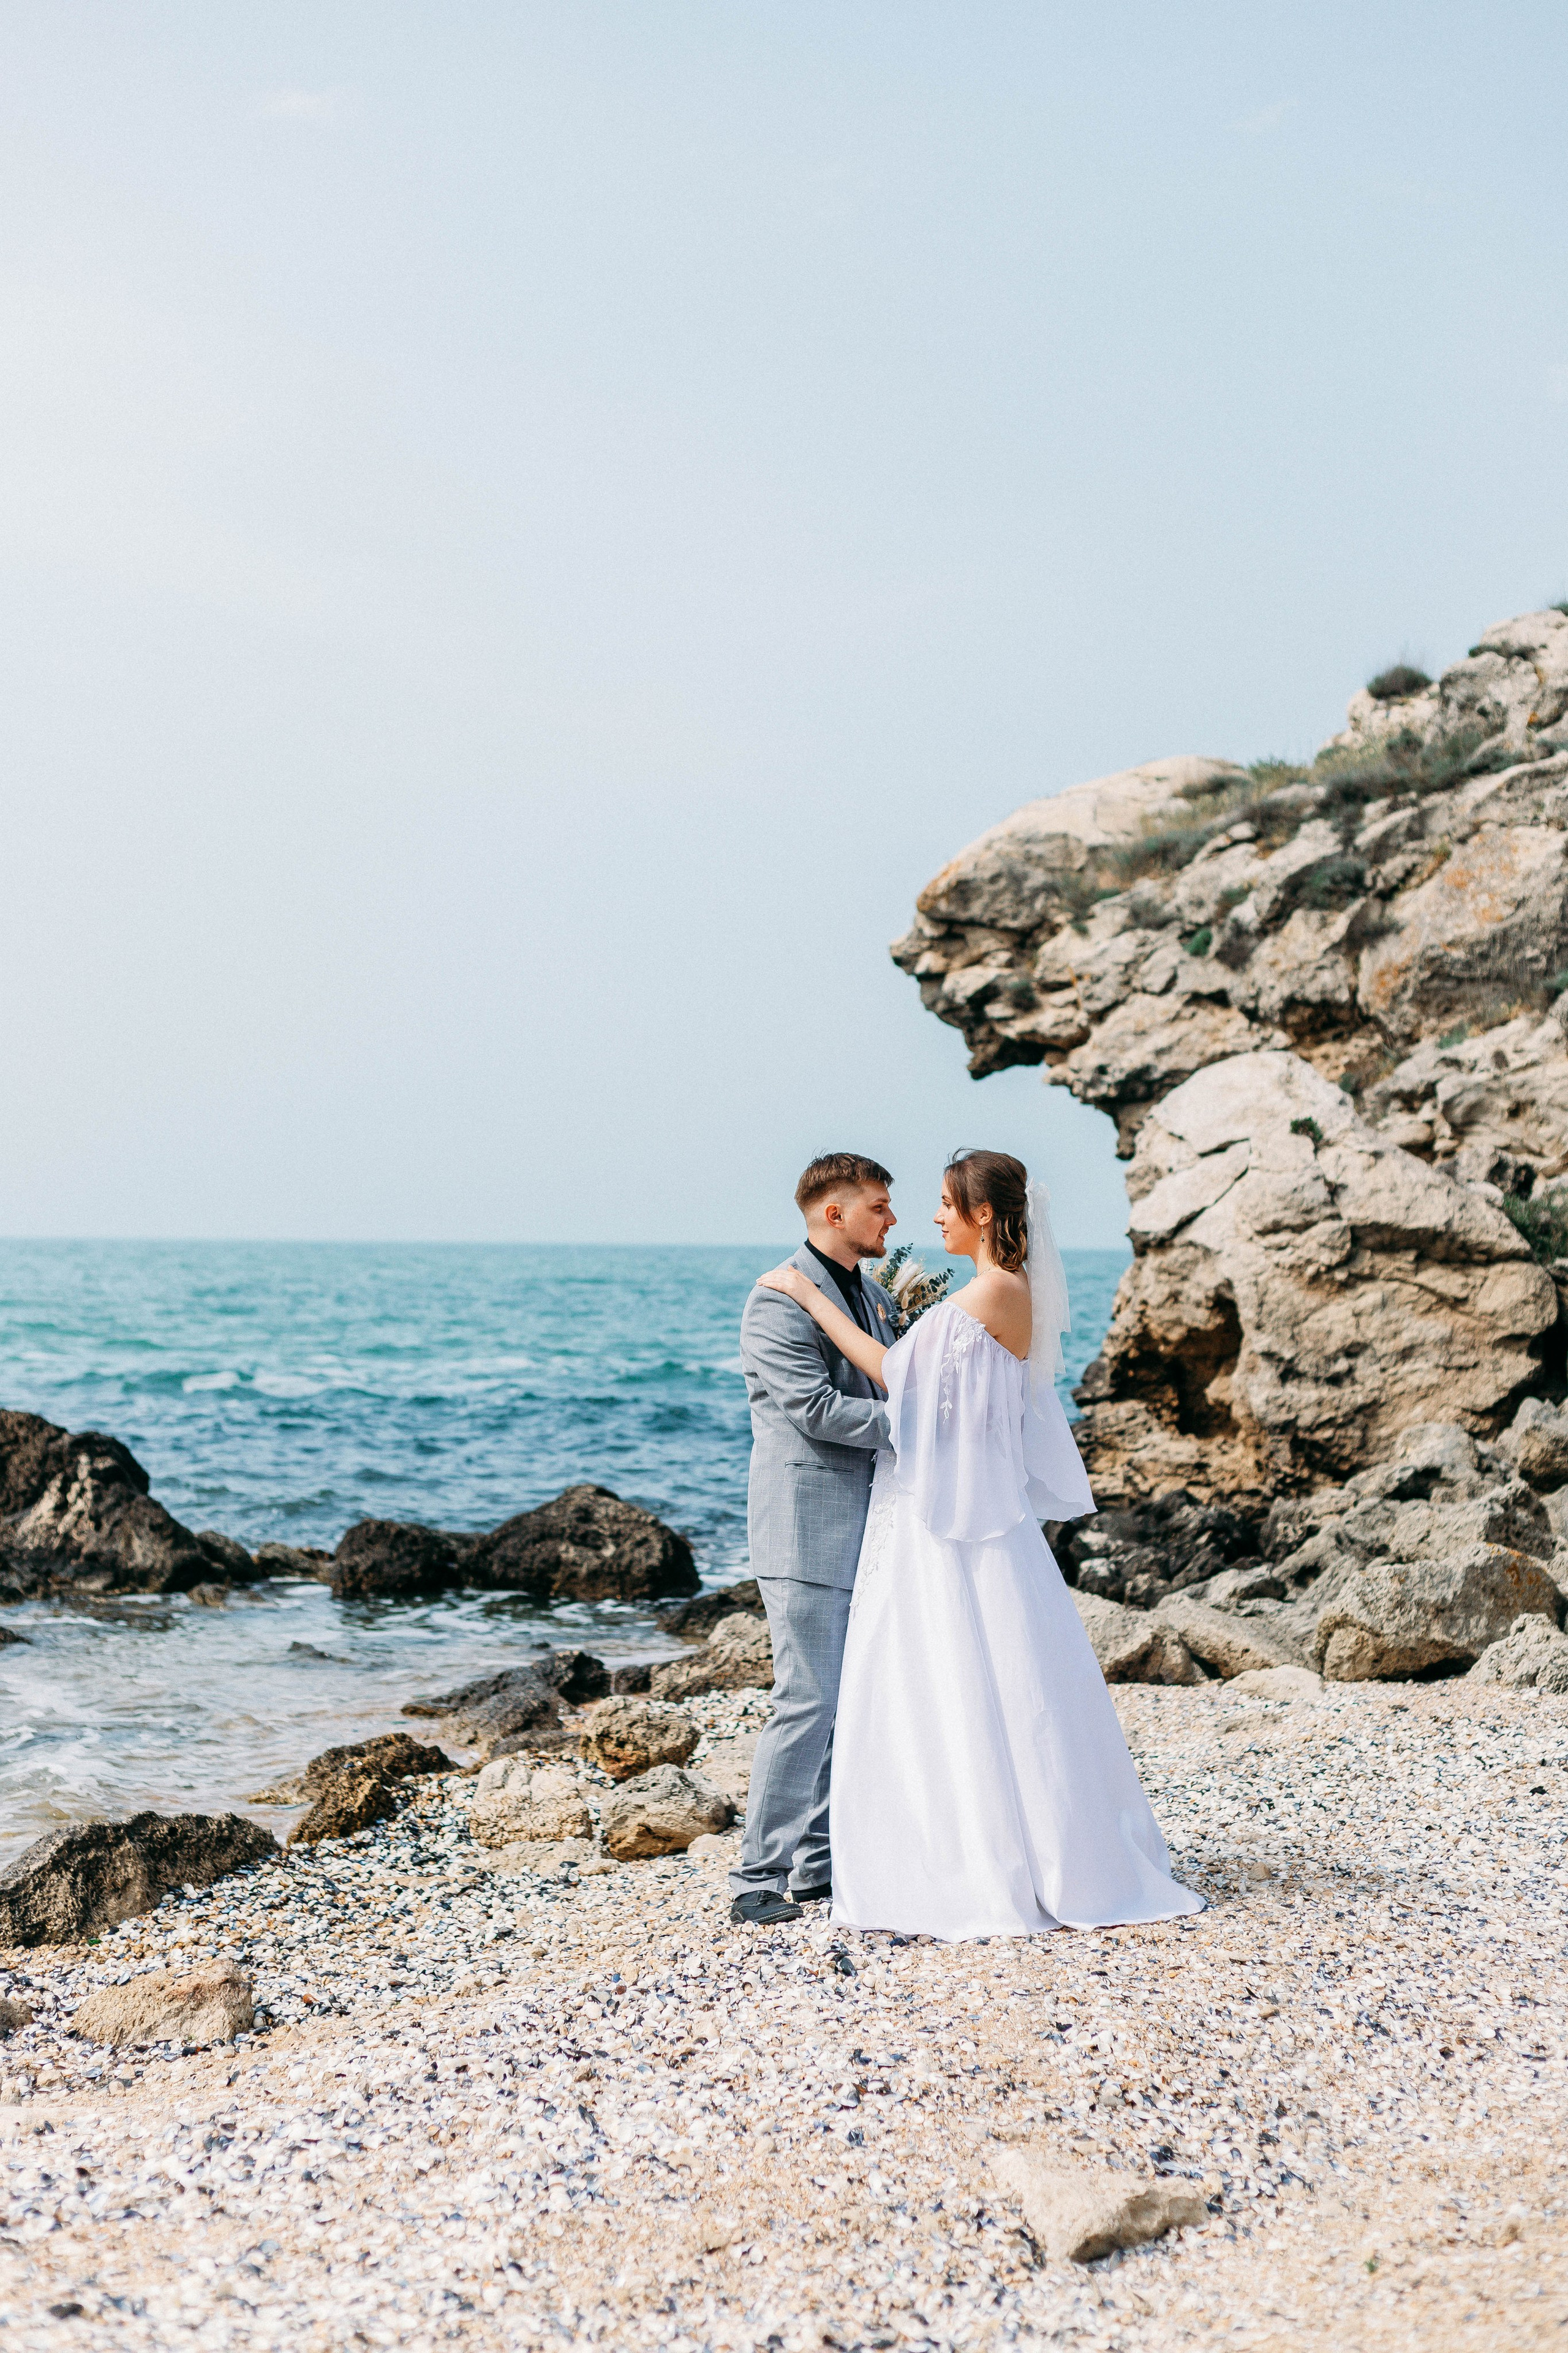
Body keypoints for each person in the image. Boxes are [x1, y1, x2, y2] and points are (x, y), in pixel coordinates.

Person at [755, 1149, 1202, 1939]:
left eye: (940, 1203)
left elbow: (904, 1379)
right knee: (945, 1679)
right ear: (835, 1213)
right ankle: (796, 1864)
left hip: (932, 1517)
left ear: (983, 1214)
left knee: (936, 1681)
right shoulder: (998, 1291)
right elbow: (862, 1397)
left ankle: (942, 1855)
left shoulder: (988, 1291)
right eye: (889, 1205)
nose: (922, 1218)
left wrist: (822, 1310)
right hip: (911, 1513)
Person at [729, 1152, 900, 1927]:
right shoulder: (776, 1303)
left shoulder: (868, 1292)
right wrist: (921, 1425)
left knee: (847, 1700)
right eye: (878, 1206)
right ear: (834, 1213)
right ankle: (755, 1880)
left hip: (869, 1523)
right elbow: (817, 1410)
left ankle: (818, 1869)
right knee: (806, 1699)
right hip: (803, 1529)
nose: (891, 1218)